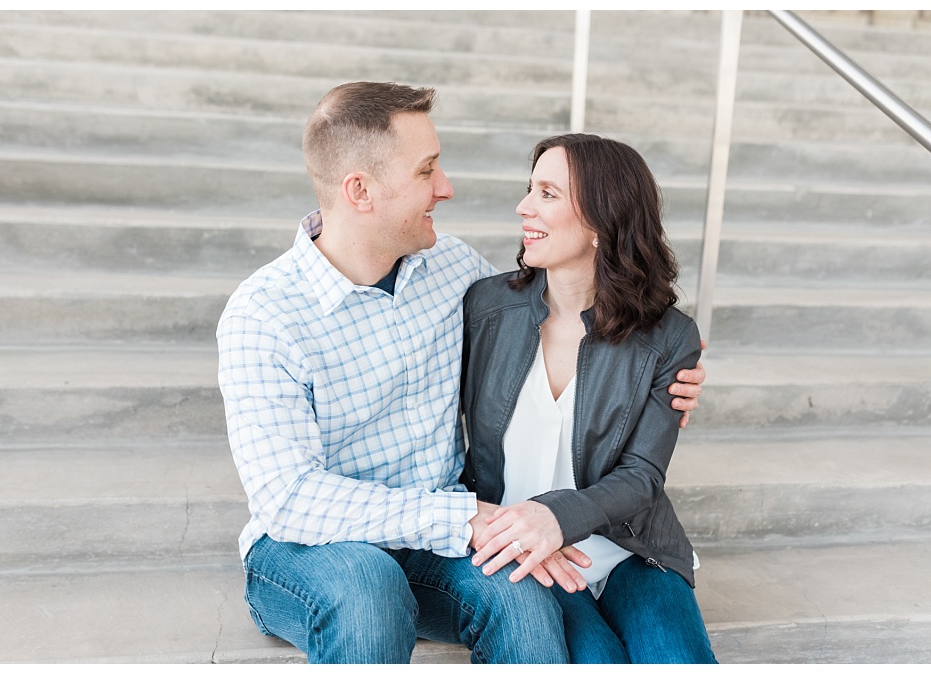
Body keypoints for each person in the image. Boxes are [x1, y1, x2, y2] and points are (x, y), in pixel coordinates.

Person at [216, 81, 706, 664]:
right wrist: (467, 518)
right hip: (316, 546)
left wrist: (656, 377)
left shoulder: (455, 274)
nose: (445, 189)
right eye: (427, 171)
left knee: (523, 599)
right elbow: (289, 497)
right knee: (367, 587)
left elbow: (565, 305)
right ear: (360, 191)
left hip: (442, 537)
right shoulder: (263, 315)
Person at [460, 133, 718, 663]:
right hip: (524, 548)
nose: (523, 207)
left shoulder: (669, 337)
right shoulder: (485, 309)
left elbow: (642, 476)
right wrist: (530, 526)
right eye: (530, 189)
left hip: (630, 547)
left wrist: (555, 516)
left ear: (603, 220)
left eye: (548, 194)